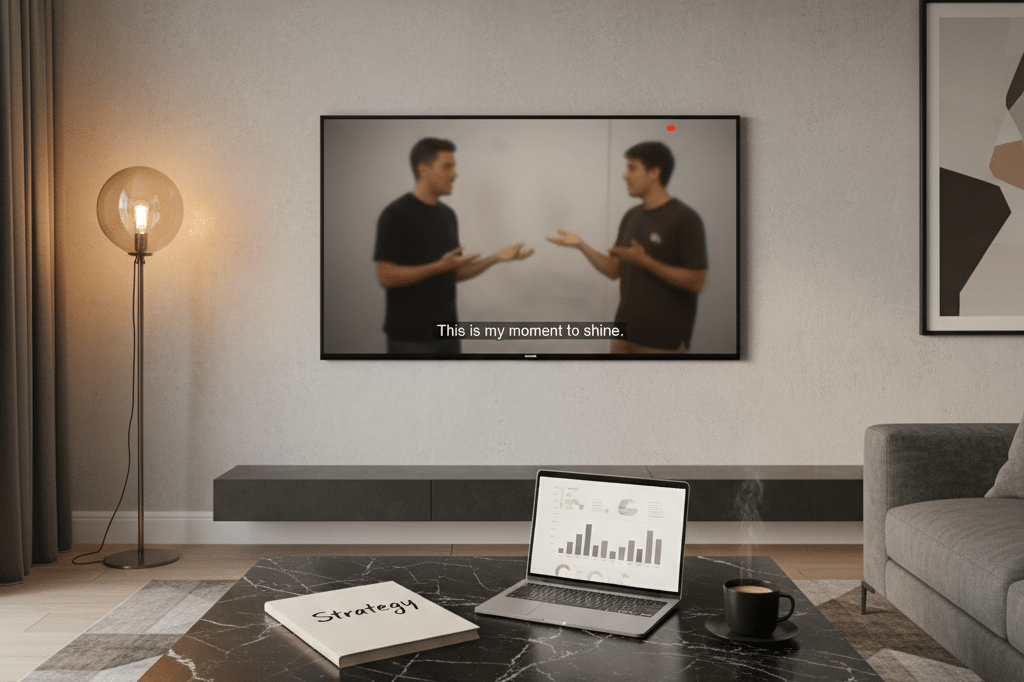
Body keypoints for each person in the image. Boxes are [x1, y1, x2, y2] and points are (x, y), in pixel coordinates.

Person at [374, 137, 533, 354]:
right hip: (411, 341)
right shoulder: (396, 214)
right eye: (447, 166)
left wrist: (496, 257)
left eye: (454, 167)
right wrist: (437, 267)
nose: (455, 174)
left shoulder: (447, 215)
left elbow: (455, 273)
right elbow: (386, 276)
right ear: (424, 169)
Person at [547, 141, 707, 353]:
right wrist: (581, 245)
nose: (625, 175)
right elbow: (614, 270)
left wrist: (646, 262)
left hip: (662, 343)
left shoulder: (685, 218)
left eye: (632, 168)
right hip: (623, 336)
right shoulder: (631, 216)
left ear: (654, 172)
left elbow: (697, 282)